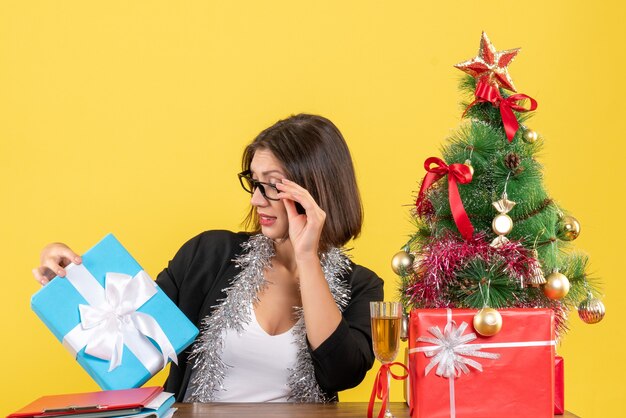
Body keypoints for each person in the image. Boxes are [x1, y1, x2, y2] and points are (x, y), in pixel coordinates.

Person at [32, 114, 384, 403]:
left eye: (273, 185)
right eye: (253, 182)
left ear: (316, 190)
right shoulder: (208, 254)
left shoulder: (362, 286)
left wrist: (307, 257)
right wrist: (70, 281)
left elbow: (343, 373)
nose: (256, 200)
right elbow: (133, 332)